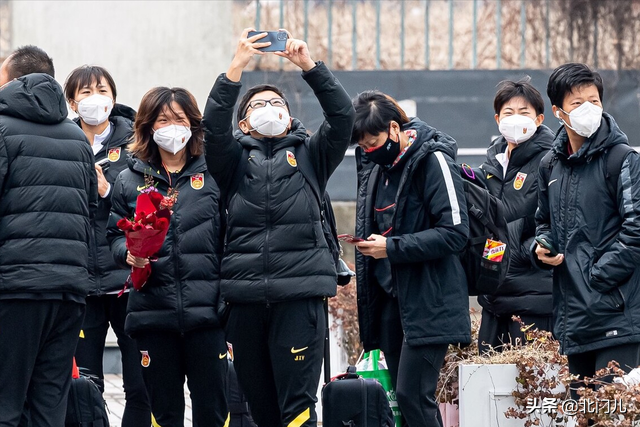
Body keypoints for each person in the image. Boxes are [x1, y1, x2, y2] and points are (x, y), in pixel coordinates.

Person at [203, 28, 355, 427]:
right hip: (244, 300)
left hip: (298, 299)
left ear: (290, 116)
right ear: (245, 122)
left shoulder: (311, 155)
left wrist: (309, 65)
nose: (268, 108)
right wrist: (236, 68)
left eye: (276, 103)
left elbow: (343, 116)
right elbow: (213, 129)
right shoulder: (232, 164)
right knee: (261, 407)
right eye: (258, 105)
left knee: (298, 408)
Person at [107, 87, 227, 427]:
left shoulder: (215, 174)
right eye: (162, 120)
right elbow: (113, 235)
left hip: (207, 315)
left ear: (193, 124)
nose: (172, 127)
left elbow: (231, 237)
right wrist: (127, 255)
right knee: (164, 413)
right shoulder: (129, 180)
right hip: (152, 314)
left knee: (213, 411)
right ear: (147, 126)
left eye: (179, 119)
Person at [352, 90, 470, 427]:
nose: (367, 151)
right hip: (390, 299)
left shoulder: (432, 160)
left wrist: (391, 248)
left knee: (412, 395)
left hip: (430, 299)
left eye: (372, 141)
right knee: (405, 401)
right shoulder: (377, 168)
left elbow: (455, 233)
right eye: (361, 146)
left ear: (393, 128)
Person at [0, 46, 97, 427]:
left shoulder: (3, 129)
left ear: (13, 81)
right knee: (48, 405)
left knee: (5, 403)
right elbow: (89, 212)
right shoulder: (76, 138)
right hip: (68, 291)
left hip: (15, 288)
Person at [534, 63, 640, 396]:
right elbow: (544, 222)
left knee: (613, 412)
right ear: (558, 111)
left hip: (616, 318)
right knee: (584, 415)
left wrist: (595, 276)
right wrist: (543, 247)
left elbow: (636, 233)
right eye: (577, 103)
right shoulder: (549, 165)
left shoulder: (622, 159)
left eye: (593, 101)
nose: (588, 110)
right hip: (573, 319)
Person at [64, 65, 150, 427]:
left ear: (113, 98)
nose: (94, 100)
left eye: (101, 91)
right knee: (85, 383)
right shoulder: (61, 142)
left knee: (140, 383)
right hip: (80, 282)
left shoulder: (136, 145)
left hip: (126, 281)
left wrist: (107, 192)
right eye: (85, 93)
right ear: (71, 101)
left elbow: (151, 207)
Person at [476, 78, 555, 354]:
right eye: (508, 113)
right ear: (498, 119)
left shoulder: (551, 160)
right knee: (489, 390)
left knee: (534, 390)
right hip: (493, 295)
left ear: (539, 118)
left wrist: (524, 250)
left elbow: (554, 219)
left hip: (534, 296)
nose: (516, 119)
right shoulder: (491, 163)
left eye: (524, 112)